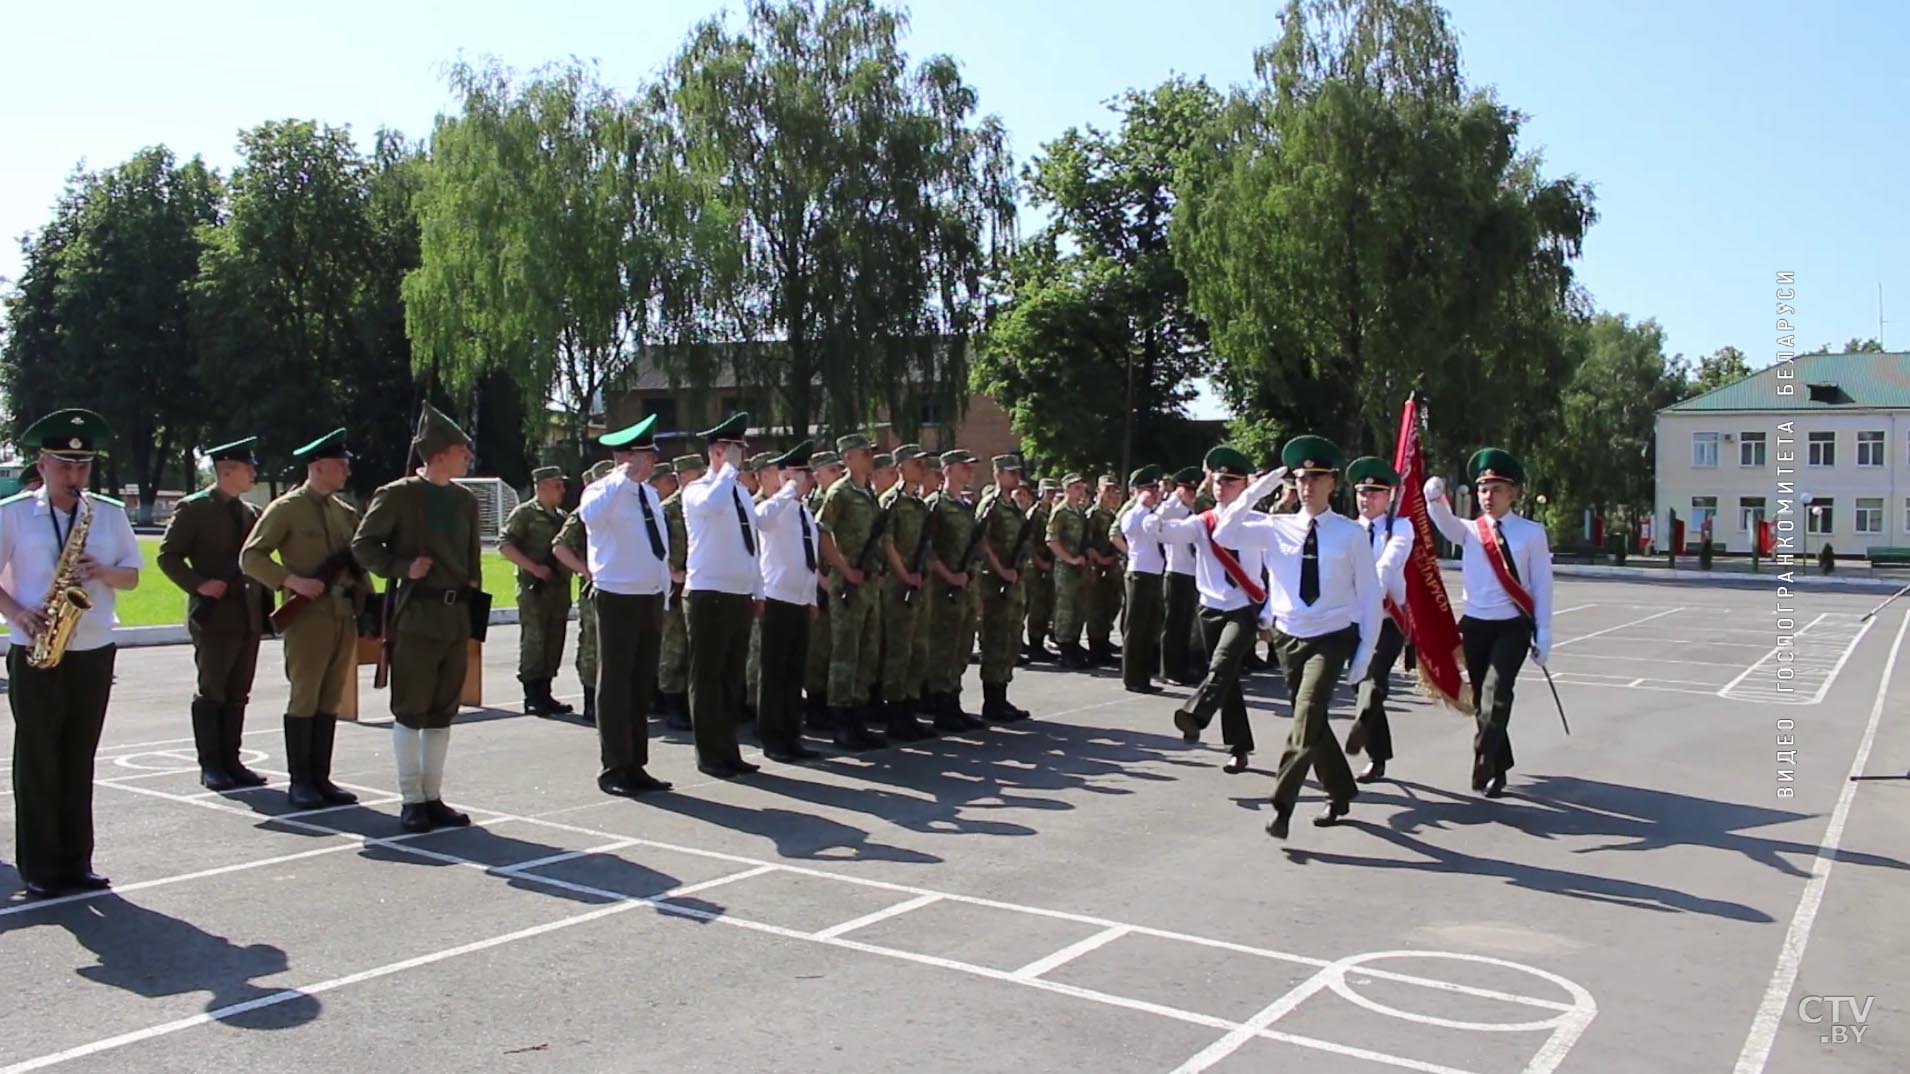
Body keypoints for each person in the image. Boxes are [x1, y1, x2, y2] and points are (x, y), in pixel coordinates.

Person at [0, 408, 143, 898]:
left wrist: (102, 570)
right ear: (41, 465)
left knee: (79, 755)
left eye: (82, 466)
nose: (74, 475)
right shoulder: (14, 514)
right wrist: (20, 614)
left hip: (92, 647)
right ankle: (39, 866)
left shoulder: (108, 512)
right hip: (36, 647)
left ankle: (76, 861)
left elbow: (133, 574)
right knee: (39, 757)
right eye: (63, 465)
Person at [1208, 437, 1379, 838]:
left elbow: (1370, 594)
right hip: (1288, 639)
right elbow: (1224, 533)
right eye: (1300, 479)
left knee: (1305, 716)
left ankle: (1281, 806)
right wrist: (1258, 489)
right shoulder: (1275, 526)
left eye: (1316, 479)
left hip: (1332, 637)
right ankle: (1340, 791)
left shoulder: (1350, 533)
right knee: (1313, 722)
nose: (1306, 486)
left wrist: (1365, 653)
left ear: (1332, 483)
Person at [351, 403, 484, 833]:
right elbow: (365, 545)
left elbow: (473, 563)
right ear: (440, 453)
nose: (468, 456)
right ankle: (411, 799)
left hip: (454, 618)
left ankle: (433, 796)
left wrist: (473, 621)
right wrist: (404, 567)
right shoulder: (399, 495)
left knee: (444, 711)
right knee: (411, 709)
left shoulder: (464, 499)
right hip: (417, 616)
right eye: (462, 450)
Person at [241, 427, 368, 812]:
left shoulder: (344, 512)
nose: (346, 472)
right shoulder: (286, 509)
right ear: (317, 466)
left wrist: (371, 607)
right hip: (307, 616)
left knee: (330, 697)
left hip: (341, 614)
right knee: (306, 695)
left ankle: (321, 777)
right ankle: (301, 781)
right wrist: (291, 581)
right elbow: (252, 557)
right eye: (339, 465)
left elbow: (360, 565)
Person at [1139, 447, 1279, 773]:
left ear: (1245, 485)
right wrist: (1175, 499)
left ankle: (1196, 713)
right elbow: (1156, 530)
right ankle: (1239, 748)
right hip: (1210, 608)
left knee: (1222, 663)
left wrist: (1270, 613)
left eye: (1230, 481)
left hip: (1243, 607)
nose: (1222, 486)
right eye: (1216, 480)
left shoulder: (1261, 522)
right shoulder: (1202, 523)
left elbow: (1277, 571)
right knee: (1226, 681)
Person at [1425, 448, 1553, 798]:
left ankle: (1483, 755)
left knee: (1497, 693)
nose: (1488, 496)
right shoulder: (1470, 531)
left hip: (1512, 626)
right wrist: (1434, 497)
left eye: (1496, 489)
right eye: (1483, 489)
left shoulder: (1531, 533)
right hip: (1476, 627)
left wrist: (1544, 632)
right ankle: (1499, 766)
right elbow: (1444, 522)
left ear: (1512, 493)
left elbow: (1542, 584)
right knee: (1483, 699)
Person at [157, 436, 272, 790]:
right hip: (215, 615)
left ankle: (232, 760)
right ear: (227, 470)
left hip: (247, 614)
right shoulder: (195, 508)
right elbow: (168, 556)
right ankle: (211, 764)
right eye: (247, 467)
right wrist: (199, 585)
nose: (253, 473)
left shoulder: (250, 513)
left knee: (238, 690)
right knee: (213, 690)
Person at [574, 416, 674, 796]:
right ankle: (614, 767)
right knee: (615, 684)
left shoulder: (648, 494)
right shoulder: (602, 490)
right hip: (616, 595)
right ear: (628, 457)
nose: (653, 463)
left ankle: (636, 764)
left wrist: (663, 595)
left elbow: (658, 547)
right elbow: (590, 518)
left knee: (638, 684)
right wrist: (620, 476)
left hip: (648, 596)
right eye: (647, 456)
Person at [680, 411, 765, 776]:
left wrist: (757, 589)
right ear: (716, 450)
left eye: (741, 449)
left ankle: (729, 749)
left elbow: (752, 544)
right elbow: (713, 506)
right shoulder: (697, 490)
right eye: (733, 448)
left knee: (732, 679)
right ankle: (710, 754)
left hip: (738, 594)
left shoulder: (742, 494)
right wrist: (726, 471)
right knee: (708, 677)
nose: (740, 456)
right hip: (708, 593)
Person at [816, 433, 890, 749]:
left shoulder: (867, 492)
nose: (870, 457)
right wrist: (845, 570)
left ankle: (859, 717)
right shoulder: (840, 492)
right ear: (848, 457)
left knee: (867, 651)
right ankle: (842, 723)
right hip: (847, 584)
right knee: (846, 653)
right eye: (864, 453)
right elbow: (822, 535)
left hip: (868, 583)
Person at [1343, 456, 1414, 783]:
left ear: (1388, 497)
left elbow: (1389, 563)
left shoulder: (1399, 528)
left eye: (1373, 493)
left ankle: (1363, 727)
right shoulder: (1348, 530)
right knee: (1362, 685)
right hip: (1354, 620)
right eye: (1361, 493)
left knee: (1374, 676)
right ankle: (1378, 755)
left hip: (1388, 619)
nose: (1366, 499)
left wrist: (1372, 587)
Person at [752, 439, 823, 761]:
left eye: (806, 474)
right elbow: (761, 519)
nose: (806, 479)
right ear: (782, 475)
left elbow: (809, 558)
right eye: (798, 473)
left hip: (798, 599)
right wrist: (785, 490)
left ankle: (793, 734)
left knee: (795, 673)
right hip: (776, 597)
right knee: (775, 672)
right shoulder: (775, 506)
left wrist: (811, 598)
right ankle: (773, 736)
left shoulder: (804, 513)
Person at [499, 465, 574, 717]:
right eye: (557, 485)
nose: (562, 490)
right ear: (541, 486)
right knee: (535, 641)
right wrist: (533, 568)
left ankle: (546, 692)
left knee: (554, 640)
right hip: (535, 591)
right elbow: (506, 545)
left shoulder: (562, 518)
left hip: (559, 590)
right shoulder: (525, 514)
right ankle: (532, 695)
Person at [877, 444, 938, 737]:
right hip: (898, 585)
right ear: (900, 466)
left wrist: (922, 574)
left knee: (919, 648)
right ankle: (895, 713)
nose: (923, 467)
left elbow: (926, 545)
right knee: (898, 650)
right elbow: (887, 543)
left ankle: (911, 708)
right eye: (917, 463)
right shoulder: (891, 501)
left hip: (919, 583)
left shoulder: (921, 503)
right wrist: (905, 575)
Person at [552, 459, 615, 724]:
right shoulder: (584, 512)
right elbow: (560, 546)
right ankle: (591, 701)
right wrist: (584, 570)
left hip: (620, 587)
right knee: (592, 645)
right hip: (595, 589)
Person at [973, 454, 1034, 720]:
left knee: (1010, 640)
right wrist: (1002, 569)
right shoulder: (991, 505)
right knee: (995, 640)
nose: (1015, 477)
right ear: (997, 475)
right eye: (1010, 473)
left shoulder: (1014, 506)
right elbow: (982, 544)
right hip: (995, 583)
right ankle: (992, 701)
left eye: (1017, 472)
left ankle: (1002, 695)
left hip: (1013, 582)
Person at [656, 453, 705, 731]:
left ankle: (689, 702)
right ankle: (672, 705)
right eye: (695, 475)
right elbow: (653, 548)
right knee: (673, 647)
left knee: (693, 646)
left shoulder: (702, 505)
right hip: (674, 587)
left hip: (698, 585)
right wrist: (672, 573)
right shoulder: (667, 509)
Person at [1113, 465, 1167, 693]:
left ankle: (1143, 675)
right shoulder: (1133, 514)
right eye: (1148, 488)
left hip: (1154, 573)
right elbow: (1127, 529)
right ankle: (1133, 678)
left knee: (1148, 628)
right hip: (1139, 574)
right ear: (1136, 490)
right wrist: (1141, 503)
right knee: (1136, 629)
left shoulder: (1154, 513)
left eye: (1155, 488)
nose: (1153, 492)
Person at [1159, 466, 1204, 685]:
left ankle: (1182, 667)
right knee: (1173, 625)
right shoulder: (1170, 508)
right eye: (1187, 490)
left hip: (1190, 572)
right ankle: (1169, 670)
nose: (1191, 495)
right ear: (1178, 489)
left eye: (1193, 491)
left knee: (1186, 624)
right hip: (1175, 571)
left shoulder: (1188, 509)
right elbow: (1156, 524)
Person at [1045, 474, 1093, 669]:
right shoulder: (1061, 512)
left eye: (1081, 488)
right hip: (1066, 567)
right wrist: (1070, 559)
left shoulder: (1080, 512)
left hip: (1080, 567)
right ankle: (1065, 648)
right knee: (1065, 609)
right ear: (1066, 490)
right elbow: (1051, 540)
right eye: (1076, 488)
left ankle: (1073, 644)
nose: (1080, 491)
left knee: (1079, 607)